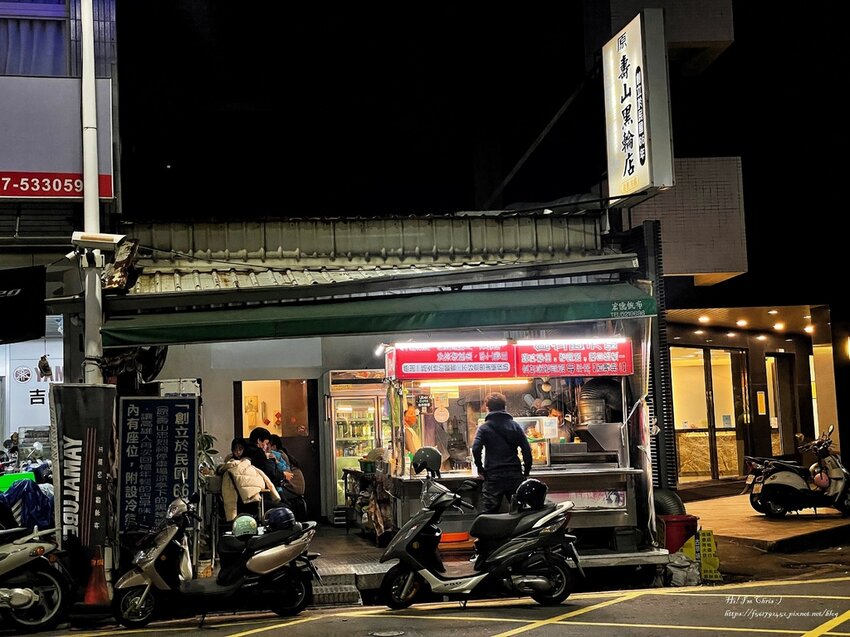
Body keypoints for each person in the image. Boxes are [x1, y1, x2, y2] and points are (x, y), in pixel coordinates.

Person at [472, 392, 533, 514]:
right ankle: (517, 533)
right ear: (504, 407)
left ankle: (490, 533)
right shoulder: (515, 426)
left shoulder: (484, 428)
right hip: (514, 475)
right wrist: (526, 471)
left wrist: (480, 468)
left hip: (493, 476)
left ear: (488, 408)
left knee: (488, 514)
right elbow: (526, 449)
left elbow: (476, 448)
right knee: (520, 513)